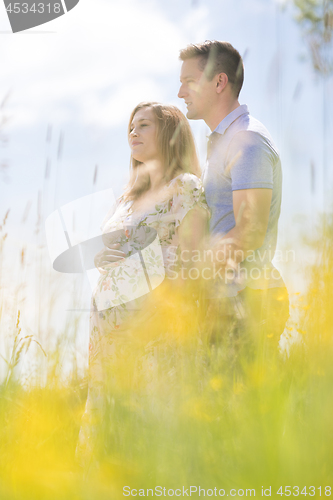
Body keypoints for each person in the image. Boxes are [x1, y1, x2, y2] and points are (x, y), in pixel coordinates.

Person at [76, 102, 210, 470]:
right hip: (109, 334)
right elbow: (115, 252)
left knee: (153, 423)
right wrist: (103, 261)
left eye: (144, 126)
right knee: (111, 423)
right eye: (131, 127)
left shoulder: (184, 187)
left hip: (154, 327)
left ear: (169, 134)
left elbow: (191, 260)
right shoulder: (127, 198)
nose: (132, 133)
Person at [177, 40, 289, 350]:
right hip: (224, 300)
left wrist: (188, 276)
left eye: (188, 81)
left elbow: (249, 232)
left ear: (219, 81)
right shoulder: (225, 142)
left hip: (245, 302)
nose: (180, 92)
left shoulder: (246, 139)